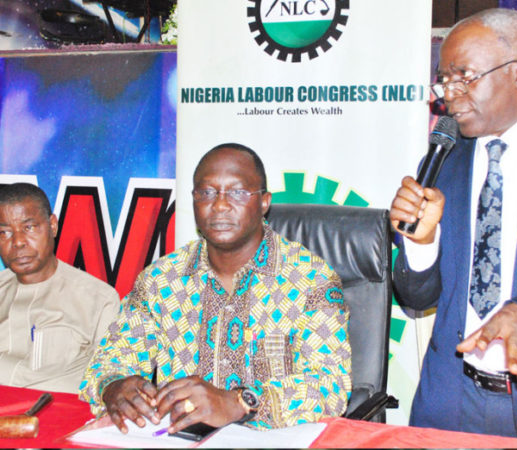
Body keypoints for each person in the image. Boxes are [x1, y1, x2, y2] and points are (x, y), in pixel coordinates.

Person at [390, 8, 517, 445]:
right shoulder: (442, 165)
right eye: (443, 79)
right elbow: (415, 298)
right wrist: (422, 243)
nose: (448, 95)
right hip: (449, 403)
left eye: (463, 76)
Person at [79, 143, 351, 434]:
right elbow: (109, 359)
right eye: (207, 193)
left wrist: (240, 402)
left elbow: (330, 384)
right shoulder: (161, 280)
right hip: (178, 439)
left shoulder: (310, 279)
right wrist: (114, 385)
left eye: (237, 192)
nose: (220, 205)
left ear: (264, 202)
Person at [0, 182, 120, 394]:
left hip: (58, 420)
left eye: (29, 228)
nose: (18, 242)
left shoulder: (99, 300)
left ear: (52, 226)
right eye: (4, 233)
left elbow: (110, 380)